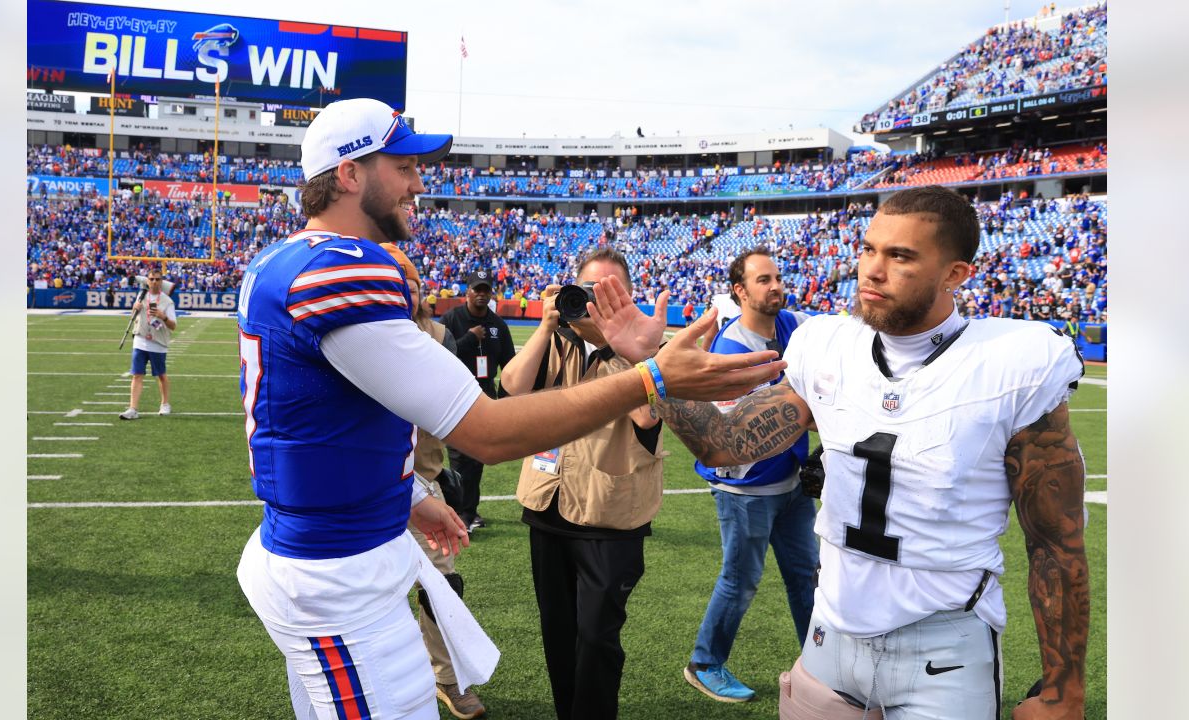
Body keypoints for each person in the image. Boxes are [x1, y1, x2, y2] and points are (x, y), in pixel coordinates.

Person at [234, 96, 783, 720]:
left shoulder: (281, 261)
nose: (419, 181)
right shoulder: (341, 272)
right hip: (336, 574)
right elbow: (488, 432)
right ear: (349, 174)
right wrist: (651, 376)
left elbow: (323, 416)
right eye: (402, 165)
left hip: (333, 547)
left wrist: (410, 497)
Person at [590, 185, 1089, 720]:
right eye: (869, 248)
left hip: (945, 645)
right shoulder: (828, 345)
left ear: (955, 275)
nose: (872, 270)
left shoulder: (1013, 360)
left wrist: (1064, 689)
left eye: (900, 256)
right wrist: (652, 366)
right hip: (830, 639)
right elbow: (724, 443)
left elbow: (1056, 542)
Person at [499, 248, 662, 720]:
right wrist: (548, 325)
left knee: (596, 637)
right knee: (558, 631)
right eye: (589, 290)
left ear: (629, 297)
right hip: (547, 507)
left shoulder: (649, 351)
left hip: (610, 515)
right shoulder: (558, 342)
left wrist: (622, 348)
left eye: (610, 292)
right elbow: (512, 387)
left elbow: (646, 414)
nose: (596, 302)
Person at [683, 248, 818, 704]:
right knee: (740, 581)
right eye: (763, 279)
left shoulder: (791, 325)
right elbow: (748, 429)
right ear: (739, 291)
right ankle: (704, 663)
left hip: (790, 482)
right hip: (747, 489)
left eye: (777, 277)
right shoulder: (731, 349)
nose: (776, 285)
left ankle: (821, 666)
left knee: (809, 577)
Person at [382, 243, 487, 720]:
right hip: (368, 488)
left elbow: (458, 406)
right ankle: (384, 677)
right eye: (395, 278)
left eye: (412, 280)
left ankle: (446, 678)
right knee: (372, 592)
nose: (407, 287)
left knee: (443, 586)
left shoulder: (437, 334)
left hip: (424, 480)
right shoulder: (357, 332)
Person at [439, 269, 517, 531]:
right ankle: (460, 511)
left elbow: (511, 365)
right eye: (477, 289)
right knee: (460, 458)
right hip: (455, 397)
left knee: (476, 459)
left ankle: (469, 511)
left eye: (486, 290)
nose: (481, 294)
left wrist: (505, 399)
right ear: (467, 292)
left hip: (484, 399)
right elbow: (441, 356)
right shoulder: (451, 319)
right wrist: (470, 338)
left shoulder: (498, 325)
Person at [120, 269, 176, 420]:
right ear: (147, 280)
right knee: (137, 375)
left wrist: (163, 317)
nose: (154, 282)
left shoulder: (167, 301)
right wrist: (135, 308)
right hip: (140, 339)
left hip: (158, 342)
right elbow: (134, 315)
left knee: (161, 375)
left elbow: (173, 326)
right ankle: (133, 408)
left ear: (162, 281)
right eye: (151, 279)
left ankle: (165, 404)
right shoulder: (141, 295)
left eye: (158, 279)